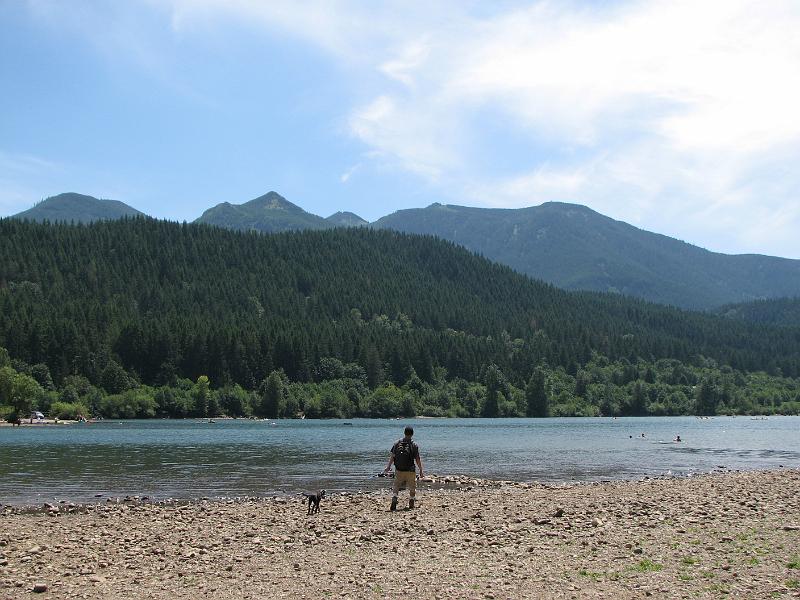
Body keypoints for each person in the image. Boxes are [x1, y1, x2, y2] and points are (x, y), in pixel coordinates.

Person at [383, 425, 423, 511]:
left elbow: (392, 456)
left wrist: (388, 467)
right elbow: (417, 459)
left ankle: (394, 497)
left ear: (404, 433)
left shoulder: (397, 443)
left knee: (396, 485)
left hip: (399, 469)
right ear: (412, 434)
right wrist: (421, 470)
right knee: (412, 486)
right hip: (410, 470)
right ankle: (411, 500)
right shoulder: (414, 444)